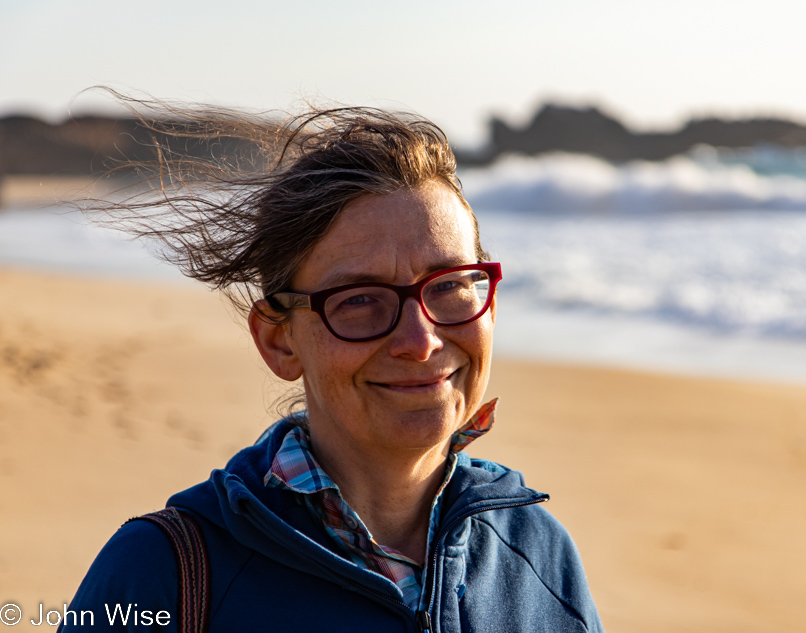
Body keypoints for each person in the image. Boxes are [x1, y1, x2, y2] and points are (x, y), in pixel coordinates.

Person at [62, 104, 604, 632]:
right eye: (360, 300)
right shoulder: (162, 574)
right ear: (279, 341)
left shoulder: (540, 552)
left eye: (450, 286)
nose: (420, 341)